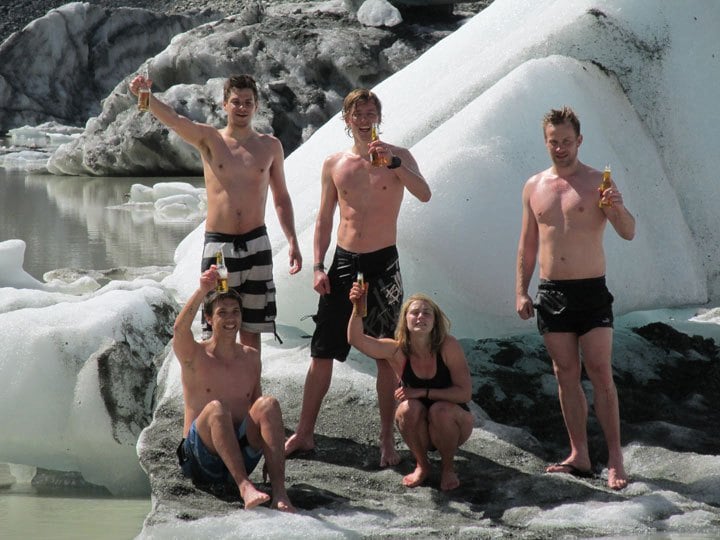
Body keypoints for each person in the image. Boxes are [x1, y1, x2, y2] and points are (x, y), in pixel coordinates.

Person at [284, 89, 431, 467]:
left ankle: (387, 440)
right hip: (344, 261)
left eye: (370, 112)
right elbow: (325, 218)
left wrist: (395, 164)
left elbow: (425, 194)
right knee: (322, 350)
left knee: (385, 352)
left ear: (378, 116)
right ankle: (304, 432)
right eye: (357, 113)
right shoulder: (336, 163)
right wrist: (318, 266)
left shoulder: (399, 155)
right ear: (346, 120)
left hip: (383, 264)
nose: (364, 119)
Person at [129, 73, 302, 349]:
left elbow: (281, 197)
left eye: (248, 102)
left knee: (252, 329)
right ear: (224, 105)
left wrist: (292, 240)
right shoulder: (210, 139)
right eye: (236, 102)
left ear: (256, 105)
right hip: (220, 247)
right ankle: (218, 390)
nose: (242, 108)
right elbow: (176, 120)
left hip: (257, 243)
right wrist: (147, 98)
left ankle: (251, 390)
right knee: (217, 325)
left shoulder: (270, 146)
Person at [515, 106, 635, 490]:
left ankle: (615, 458)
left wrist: (614, 206)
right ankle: (579, 454)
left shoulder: (598, 182)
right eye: (554, 141)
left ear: (579, 141)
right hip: (551, 292)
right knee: (564, 374)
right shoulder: (534, 186)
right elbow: (527, 245)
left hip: (591, 290)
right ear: (545, 141)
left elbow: (628, 232)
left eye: (567, 141)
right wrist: (521, 289)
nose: (561, 148)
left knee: (600, 372)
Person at [173, 266, 295, 512]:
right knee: (217, 409)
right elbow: (179, 330)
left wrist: (272, 454)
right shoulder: (195, 355)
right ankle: (244, 486)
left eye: (235, 312)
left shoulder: (251, 357)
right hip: (201, 458)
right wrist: (202, 290)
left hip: (241, 451)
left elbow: (259, 410)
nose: (230, 319)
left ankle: (280, 493)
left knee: (268, 404)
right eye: (222, 313)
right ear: (209, 318)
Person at [347, 286, 473, 491]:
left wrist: (423, 392)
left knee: (439, 410)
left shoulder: (448, 346)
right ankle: (422, 465)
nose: (420, 316)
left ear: (435, 321)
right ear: (405, 319)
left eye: (426, 313)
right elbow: (357, 340)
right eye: (414, 312)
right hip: (419, 426)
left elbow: (465, 393)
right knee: (407, 409)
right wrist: (357, 308)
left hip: (454, 423)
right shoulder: (397, 350)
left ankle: (448, 468)